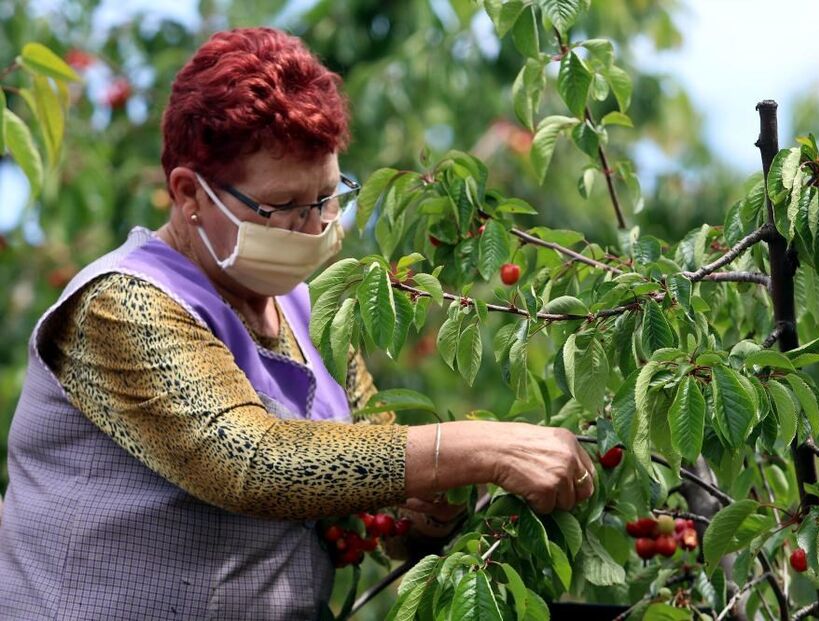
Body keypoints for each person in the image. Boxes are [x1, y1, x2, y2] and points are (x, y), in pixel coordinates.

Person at [0, 27, 594, 620]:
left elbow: (376, 497)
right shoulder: (120, 304)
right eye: (283, 207)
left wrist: (424, 513)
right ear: (189, 195)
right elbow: (251, 462)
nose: (313, 228)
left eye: (328, 198)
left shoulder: (309, 313)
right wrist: (479, 447)